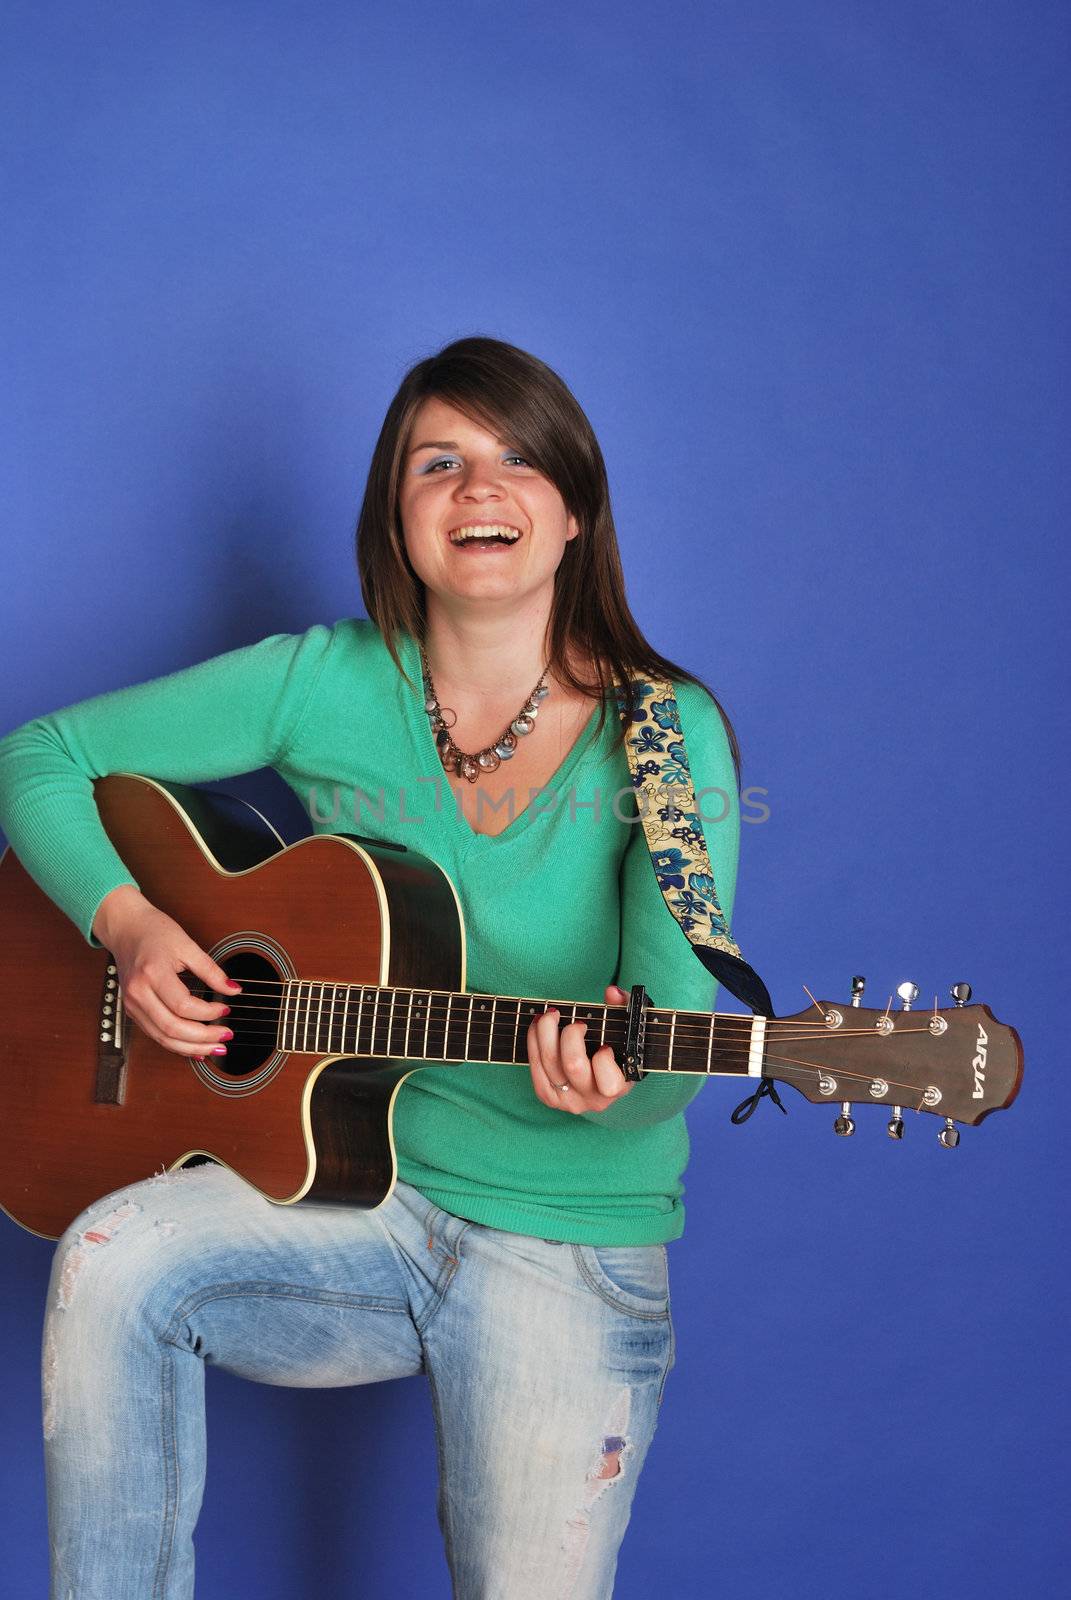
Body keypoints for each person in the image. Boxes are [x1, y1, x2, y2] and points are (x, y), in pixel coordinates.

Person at [0, 335, 741, 1599]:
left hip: (564, 1245)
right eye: (435, 462)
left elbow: (676, 1020)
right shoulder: (324, 681)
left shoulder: (667, 739)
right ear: (396, 518)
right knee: (113, 1253)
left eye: (517, 459)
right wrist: (128, 923)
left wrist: (625, 1077)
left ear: (574, 513)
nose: (478, 488)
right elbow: (40, 757)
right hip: (359, 1207)